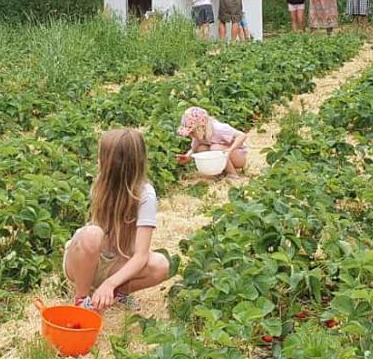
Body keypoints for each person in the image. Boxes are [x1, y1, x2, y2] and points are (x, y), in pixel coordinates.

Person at [63, 128, 169, 310]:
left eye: (101, 156)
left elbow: (141, 255)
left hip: (117, 264)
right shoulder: (100, 185)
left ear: (113, 163)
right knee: (92, 234)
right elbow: (91, 239)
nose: (98, 161)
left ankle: (115, 293)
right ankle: (82, 300)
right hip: (86, 262)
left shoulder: (145, 195)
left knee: (160, 265)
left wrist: (110, 284)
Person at [175, 106, 247, 176]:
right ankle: (220, 170)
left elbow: (242, 135)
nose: (190, 135)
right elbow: (194, 149)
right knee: (201, 148)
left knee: (215, 148)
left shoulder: (219, 129)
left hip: (239, 156)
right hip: (225, 155)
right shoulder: (198, 135)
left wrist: (230, 150)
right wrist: (187, 157)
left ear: (201, 127)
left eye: (192, 132)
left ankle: (232, 174)